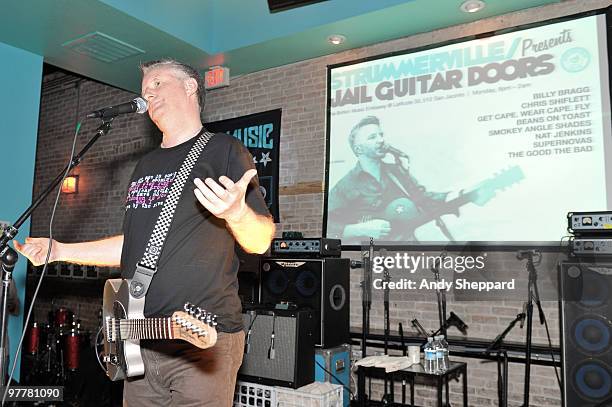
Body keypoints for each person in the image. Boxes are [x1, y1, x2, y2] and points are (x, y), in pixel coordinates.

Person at [14, 59, 275, 406]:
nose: (148, 93)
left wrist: (237, 212)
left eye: (157, 83)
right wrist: (59, 250)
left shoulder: (223, 150)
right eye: (144, 90)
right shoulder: (146, 165)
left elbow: (260, 241)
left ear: (190, 86)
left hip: (201, 339)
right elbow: (133, 247)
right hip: (139, 337)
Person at [327, 115, 448, 243]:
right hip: (374, 254)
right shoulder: (346, 185)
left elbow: (422, 197)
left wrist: (457, 194)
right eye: (372, 137)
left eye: (381, 135)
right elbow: (328, 226)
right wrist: (361, 229)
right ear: (358, 149)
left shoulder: (396, 171)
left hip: (409, 247)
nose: (381, 140)